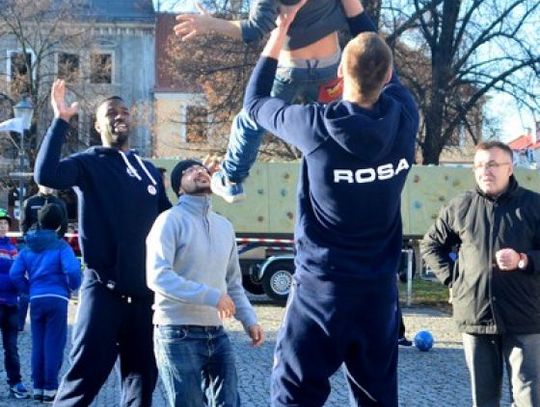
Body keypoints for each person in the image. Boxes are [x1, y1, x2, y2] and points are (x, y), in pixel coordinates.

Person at [240, 0, 419, 404]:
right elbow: (378, 60)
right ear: (388, 75)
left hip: (321, 293)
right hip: (377, 296)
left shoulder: (316, 126)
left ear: (339, 73)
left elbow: (255, 102)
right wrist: (353, 8)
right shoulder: (405, 117)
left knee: (294, 397)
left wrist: (279, 32)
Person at [33, 79, 172, 406]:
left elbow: (170, 223)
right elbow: (46, 175)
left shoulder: (149, 171)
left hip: (145, 298)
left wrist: (202, 191)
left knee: (142, 384)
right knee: (82, 380)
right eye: (110, 113)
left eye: (124, 111)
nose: (119, 116)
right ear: (98, 126)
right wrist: (60, 121)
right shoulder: (88, 163)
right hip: (103, 291)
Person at [175, 0, 346, 203]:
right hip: (330, 69)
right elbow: (354, 13)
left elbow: (254, 29)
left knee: (251, 119)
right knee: (335, 124)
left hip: (290, 70)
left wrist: (210, 23)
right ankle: (342, 178)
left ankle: (231, 178)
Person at [421, 141, 540, 407]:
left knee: (528, 397)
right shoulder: (460, 206)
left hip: (524, 317)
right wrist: (455, 280)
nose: (485, 171)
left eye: (493, 164)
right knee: (484, 399)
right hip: (476, 315)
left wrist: (523, 260)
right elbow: (431, 245)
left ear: (510, 168)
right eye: (479, 165)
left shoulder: (533, 205)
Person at [146, 159, 264, 407]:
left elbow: (233, 283)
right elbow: (158, 276)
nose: (199, 171)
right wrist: (212, 296)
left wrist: (249, 319)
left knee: (229, 403)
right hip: (176, 332)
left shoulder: (224, 226)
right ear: (179, 188)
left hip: (217, 332)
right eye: (189, 171)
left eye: (202, 168)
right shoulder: (168, 220)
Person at [10, 203, 81, 403]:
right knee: (54, 344)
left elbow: (15, 273)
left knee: (38, 343)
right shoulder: (61, 246)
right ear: (59, 225)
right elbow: (73, 270)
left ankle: (38, 387)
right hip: (57, 298)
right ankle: (50, 388)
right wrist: (72, 287)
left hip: (36, 298)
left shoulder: (28, 246)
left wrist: (28, 289)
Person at [18, 184, 68, 332]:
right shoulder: (29, 202)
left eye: (50, 184)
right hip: (33, 249)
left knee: (49, 283)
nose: (48, 187)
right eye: (45, 183)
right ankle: (20, 322)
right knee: (26, 285)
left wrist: (53, 242)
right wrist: (30, 242)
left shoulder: (59, 203)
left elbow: (64, 227)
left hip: (51, 250)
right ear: (39, 184)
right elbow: (23, 225)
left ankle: (47, 321)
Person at [0, 208, 29, 399]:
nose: (2, 226)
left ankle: (15, 382)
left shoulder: (13, 248)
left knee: (11, 348)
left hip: (11, 304)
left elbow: (20, 274)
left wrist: (23, 289)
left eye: (5, 223)